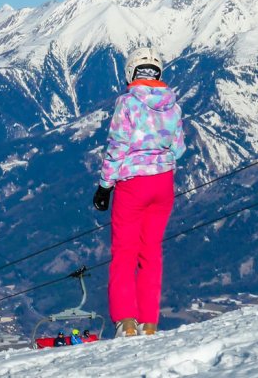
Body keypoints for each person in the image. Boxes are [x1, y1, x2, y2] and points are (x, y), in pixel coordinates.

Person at [91, 46, 185, 337]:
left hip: (133, 183)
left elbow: (117, 146)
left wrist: (105, 186)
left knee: (124, 253)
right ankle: (149, 323)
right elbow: (179, 148)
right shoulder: (174, 105)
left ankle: (126, 321)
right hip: (164, 183)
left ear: (131, 72)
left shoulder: (127, 103)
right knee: (151, 253)